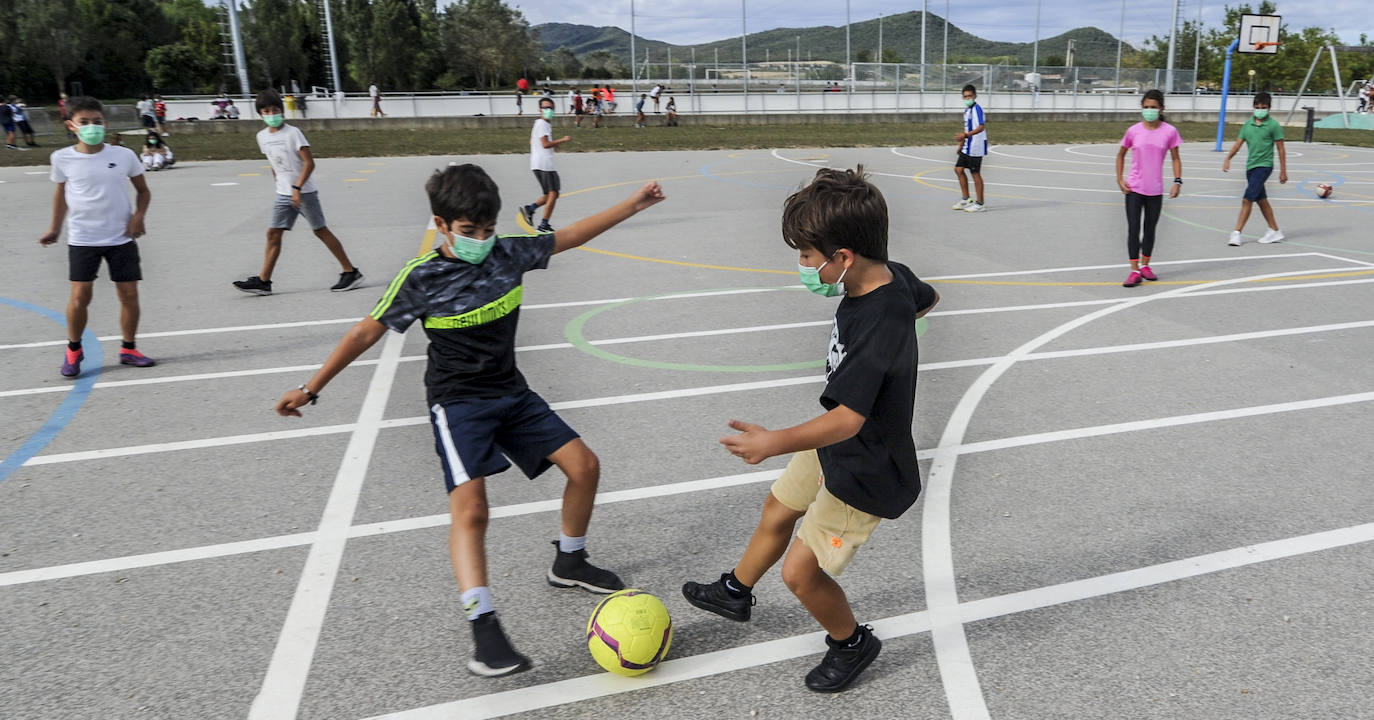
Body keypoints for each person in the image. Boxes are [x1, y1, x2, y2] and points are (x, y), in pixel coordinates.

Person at [275, 164, 666, 676]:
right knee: (473, 510)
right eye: (468, 232)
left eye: (486, 229)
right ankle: (484, 630)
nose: (481, 240)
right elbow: (364, 333)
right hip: (458, 403)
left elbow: (566, 236)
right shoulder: (421, 278)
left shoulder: (508, 253)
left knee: (584, 466)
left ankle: (569, 560)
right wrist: (311, 387)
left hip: (510, 391)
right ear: (441, 224)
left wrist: (633, 204)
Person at [682, 167, 938, 693]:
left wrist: (773, 441)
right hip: (833, 445)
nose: (801, 266)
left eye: (805, 256)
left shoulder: (879, 317)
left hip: (867, 468)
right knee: (778, 508)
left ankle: (851, 643)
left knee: (800, 573)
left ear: (844, 258)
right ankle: (735, 590)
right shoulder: (892, 275)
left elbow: (848, 417)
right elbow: (926, 298)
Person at [37, 95, 156, 376]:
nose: (92, 126)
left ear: (105, 123)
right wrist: (55, 227)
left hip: (121, 237)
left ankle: (128, 348)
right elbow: (61, 195)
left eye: (97, 121)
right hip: (83, 238)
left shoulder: (123, 155)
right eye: (84, 122)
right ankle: (74, 349)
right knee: (80, 296)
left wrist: (139, 216)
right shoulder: (62, 158)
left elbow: (143, 191)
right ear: (71, 125)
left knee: (128, 294)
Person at [232, 88, 363, 295]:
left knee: (320, 230)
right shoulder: (262, 137)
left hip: (304, 192)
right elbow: (274, 163)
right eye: (266, 111)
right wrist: (280, 184)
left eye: (275, 110)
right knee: (273, 233)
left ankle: (350, 271)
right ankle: (264, 281)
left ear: (282, 111)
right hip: (283, 194)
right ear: (260, 114)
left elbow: (309, 164)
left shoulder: (293, 133)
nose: (271, 114)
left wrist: (297, 188)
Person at [1115, 89, 1182, 287]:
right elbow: (1120, 155)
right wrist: (1120, 179)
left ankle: (1146, 265)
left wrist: (1177, 181)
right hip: (1134, 188)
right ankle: (1134, 270)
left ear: (1161, 108)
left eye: (1153, 107)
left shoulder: (1169, 131)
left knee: (1150, 229)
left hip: (1155, 190)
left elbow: (1175, 157)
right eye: (1146, 107)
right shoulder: (1133, 131)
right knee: (1134, 229)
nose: (1149, 111)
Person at [1223, 91, 1287, 246]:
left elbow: (1281, 149)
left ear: (1269, 108)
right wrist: (1228, 158)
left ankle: (1236, 233)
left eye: (1263, 107)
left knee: (1247, 199)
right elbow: (1238, 143)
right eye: (1257, 107)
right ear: (1253, 107)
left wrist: (1283, 171)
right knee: (1261, 200)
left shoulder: (1273, 125)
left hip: (1264, 166)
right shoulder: (1247, 125)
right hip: (1250, 167)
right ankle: (1274, 230)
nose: (1260, 109)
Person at [520, 97, 571, 233]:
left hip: (538, 164)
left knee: (549, 194)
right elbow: (545, 144)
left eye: (551, 108)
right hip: (545, 164)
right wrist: (563, 140)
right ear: (540, 109)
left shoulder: (539, 123)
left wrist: (555, 145)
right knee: (553, 194)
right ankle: (544, 224)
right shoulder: (543, 124)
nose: (548, 110)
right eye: (545, 108)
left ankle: (530, 209)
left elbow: (533, 142)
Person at [952, 83, 988, 212]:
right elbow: (966, 128)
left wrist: (965, 135)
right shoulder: (967, 111)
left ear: (975, 96)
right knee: (958, 169)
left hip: (976, 146)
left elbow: (981, 127)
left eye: (970, 96)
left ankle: (980, 203)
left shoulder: (977, 109)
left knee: (975, 173)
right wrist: (961, 144)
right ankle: (966, 198)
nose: (968, 99)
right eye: (965, 97)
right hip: (967, 146)